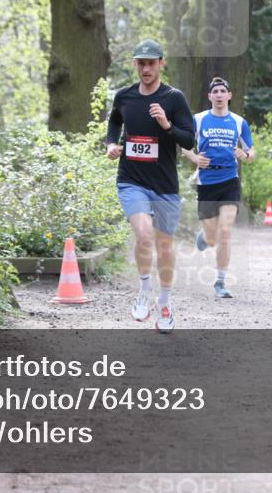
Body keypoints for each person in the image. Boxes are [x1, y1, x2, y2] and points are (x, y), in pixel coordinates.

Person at [106, 39, 195, 333]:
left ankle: (165, 302)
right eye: (141, 63)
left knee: (165, 245)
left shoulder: (174, 98)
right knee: (144, 234)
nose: (146, 69)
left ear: (161, 64)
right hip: (131, 180)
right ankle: (144, 289)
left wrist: (167, 125)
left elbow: (189, 140)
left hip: (165, 185)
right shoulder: (124, 96)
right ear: (135, 64)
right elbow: (115, 122)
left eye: (151, 63)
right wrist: (111, 145)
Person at [181, 77, 254, 299]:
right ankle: (204, 238)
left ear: (229, 96)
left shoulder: (239, 122)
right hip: (206, 183)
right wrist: (194, 158)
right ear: (210, 96)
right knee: (212, 237)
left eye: (224, 91)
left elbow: (252, 151)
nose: (220, 95)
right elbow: (183, 145)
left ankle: (220, 281)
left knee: (225, 231)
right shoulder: (199, 119)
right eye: (216, 92)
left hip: (230, 180)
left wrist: (246, 154)